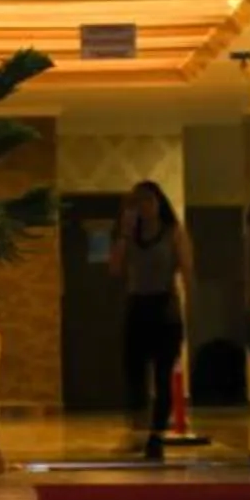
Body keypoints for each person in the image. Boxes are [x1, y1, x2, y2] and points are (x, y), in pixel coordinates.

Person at [110, 182, 193, 462]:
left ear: (159, 203)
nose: (144, 207)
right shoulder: (128, 237)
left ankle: (156, 435)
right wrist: (123, 233)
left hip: (165, 307)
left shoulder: (174, 233)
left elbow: (188, 272)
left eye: (148, 200)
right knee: (134, 372)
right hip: (137, 306)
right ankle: (137, 428)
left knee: (162, 375)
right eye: (137, 202)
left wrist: (189, 309)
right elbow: (114, 268)